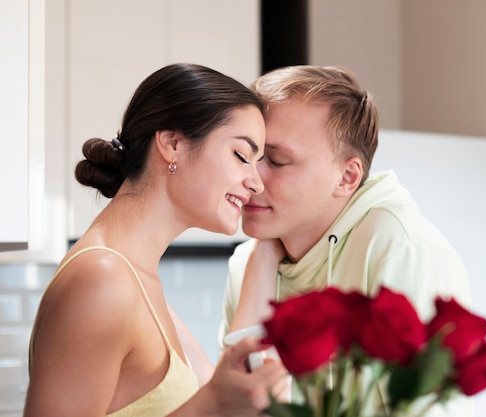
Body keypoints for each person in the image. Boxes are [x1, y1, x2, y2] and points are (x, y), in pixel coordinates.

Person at [24, 63, 288, 417]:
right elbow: (210, 403)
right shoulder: (102, 280)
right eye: (242, 156)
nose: (256, 183)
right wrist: (210, 406)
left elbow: (217, 391)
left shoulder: (135, 278)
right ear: (172, 144)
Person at [218, 65, 474, 416]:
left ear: (347, 177)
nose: (251, 177)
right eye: (248, 155)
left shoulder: (400, 249)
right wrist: (262, 259)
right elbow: (233, 404)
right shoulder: (248, 260)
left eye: (276, 161)